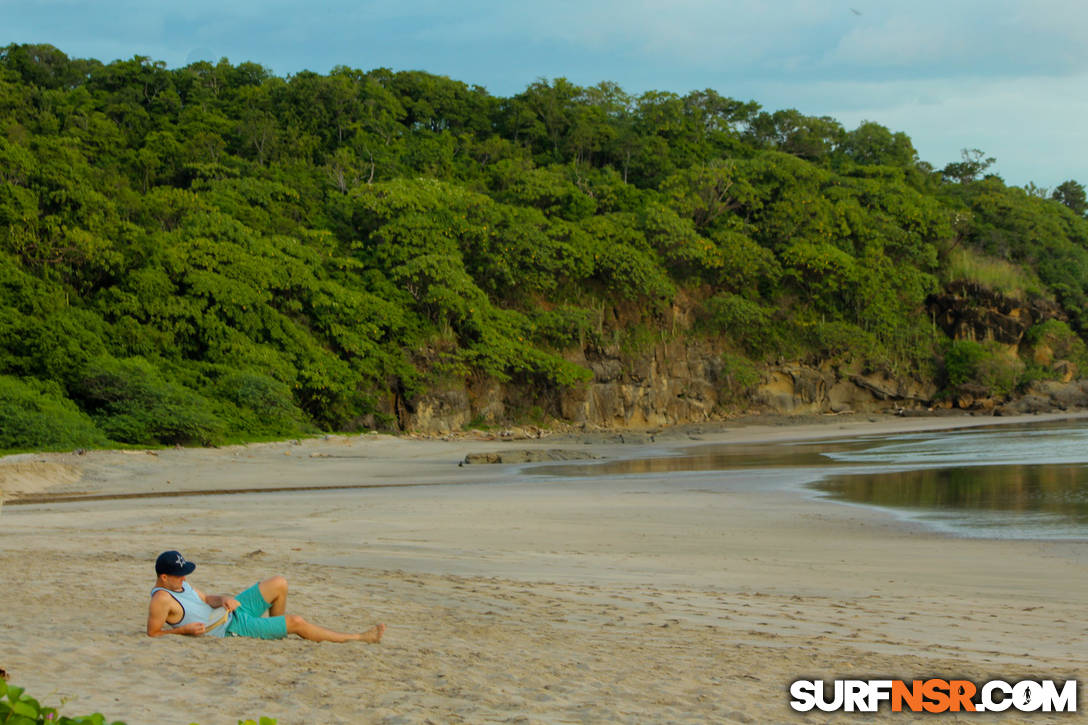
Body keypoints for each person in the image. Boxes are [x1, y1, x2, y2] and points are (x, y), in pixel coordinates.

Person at [147, 550, 385, 643]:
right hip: (228, 627)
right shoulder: (161, 600)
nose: (185, 579)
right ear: (164, 578)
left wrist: (224, 598)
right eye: (180, 576)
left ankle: (274, 630)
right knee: (297, 622)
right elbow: (153, 633)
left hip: (232, 611)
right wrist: (182, 631)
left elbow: (207, 597)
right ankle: (360, 637)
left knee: (278, 583)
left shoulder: (180, 585)